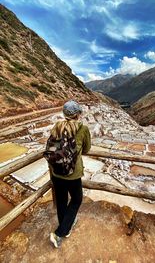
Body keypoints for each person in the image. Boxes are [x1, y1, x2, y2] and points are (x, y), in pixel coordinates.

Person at [49, 100, 91, 248]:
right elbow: (86, 149)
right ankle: (59, 233)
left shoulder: (56, 126)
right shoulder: (83, 128)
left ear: (64, 113)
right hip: (73, 174)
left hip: (56, 172)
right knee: (77, 199)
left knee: (61, 201)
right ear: (77, 114)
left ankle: (65, 228)